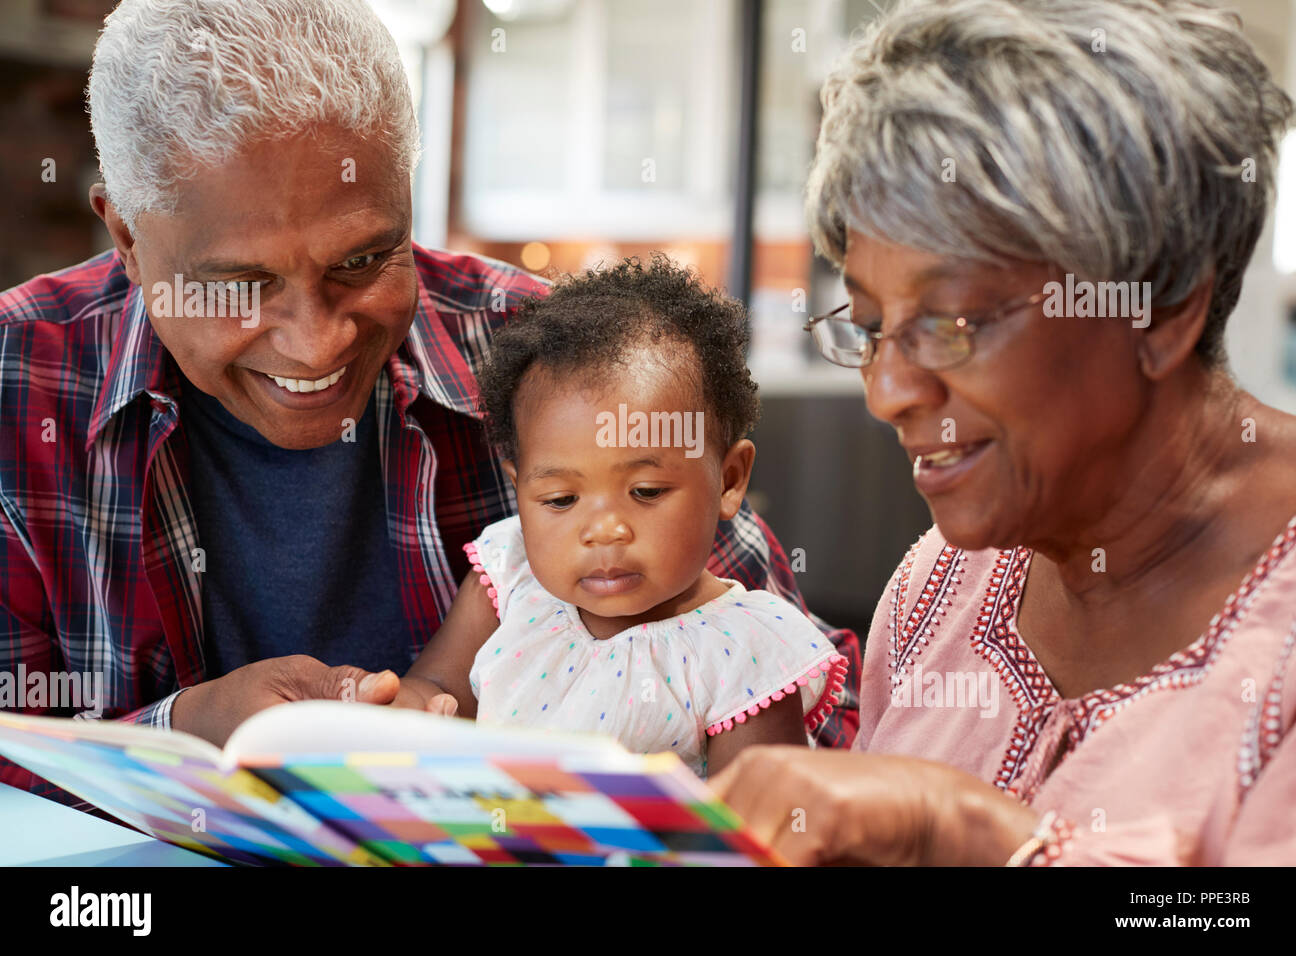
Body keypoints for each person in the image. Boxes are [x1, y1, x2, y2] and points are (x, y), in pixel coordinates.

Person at [0, 0, 860, 812]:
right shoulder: (19, 380)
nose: (317, 341)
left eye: (365, 258)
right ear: (127, 239)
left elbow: (819, 704)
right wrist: (183, 735)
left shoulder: (557, 365)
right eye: (242, 284)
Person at [713, 0, 1296, 865]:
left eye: (951, 323)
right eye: (872, 328)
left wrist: (964, 829)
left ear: (1162, 307)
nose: (889, 391)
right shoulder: (940, 589)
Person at [396, 257, 848, 777]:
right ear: (518, 490)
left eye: (646, 491)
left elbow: (750, 822)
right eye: (561, 500)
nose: (605, 530)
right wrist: (399, 705)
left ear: (729, 480)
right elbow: (439, 691)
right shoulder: (511, 577)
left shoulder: (744, 652)